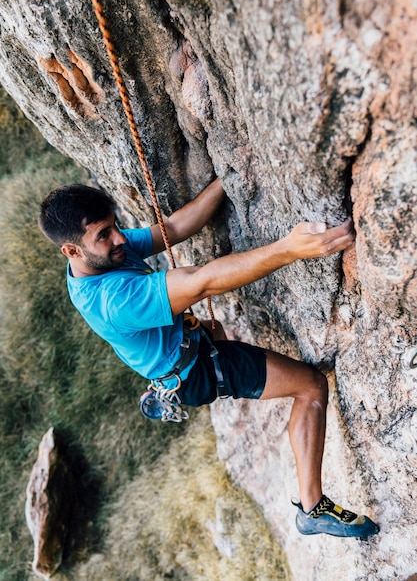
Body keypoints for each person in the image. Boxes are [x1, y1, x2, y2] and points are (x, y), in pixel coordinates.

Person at [38, 178, 379, 539]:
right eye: (104, 234)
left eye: (115, 226)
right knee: (310, 386)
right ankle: (313, 508)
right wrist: (291, 249)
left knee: (305, 383)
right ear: (71, 251)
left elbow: (171, 228)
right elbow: (202, 282)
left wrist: (226, 179)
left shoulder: (103, 257)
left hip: (188, 350)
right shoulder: (113, 300)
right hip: (195, 370)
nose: (120, 238)